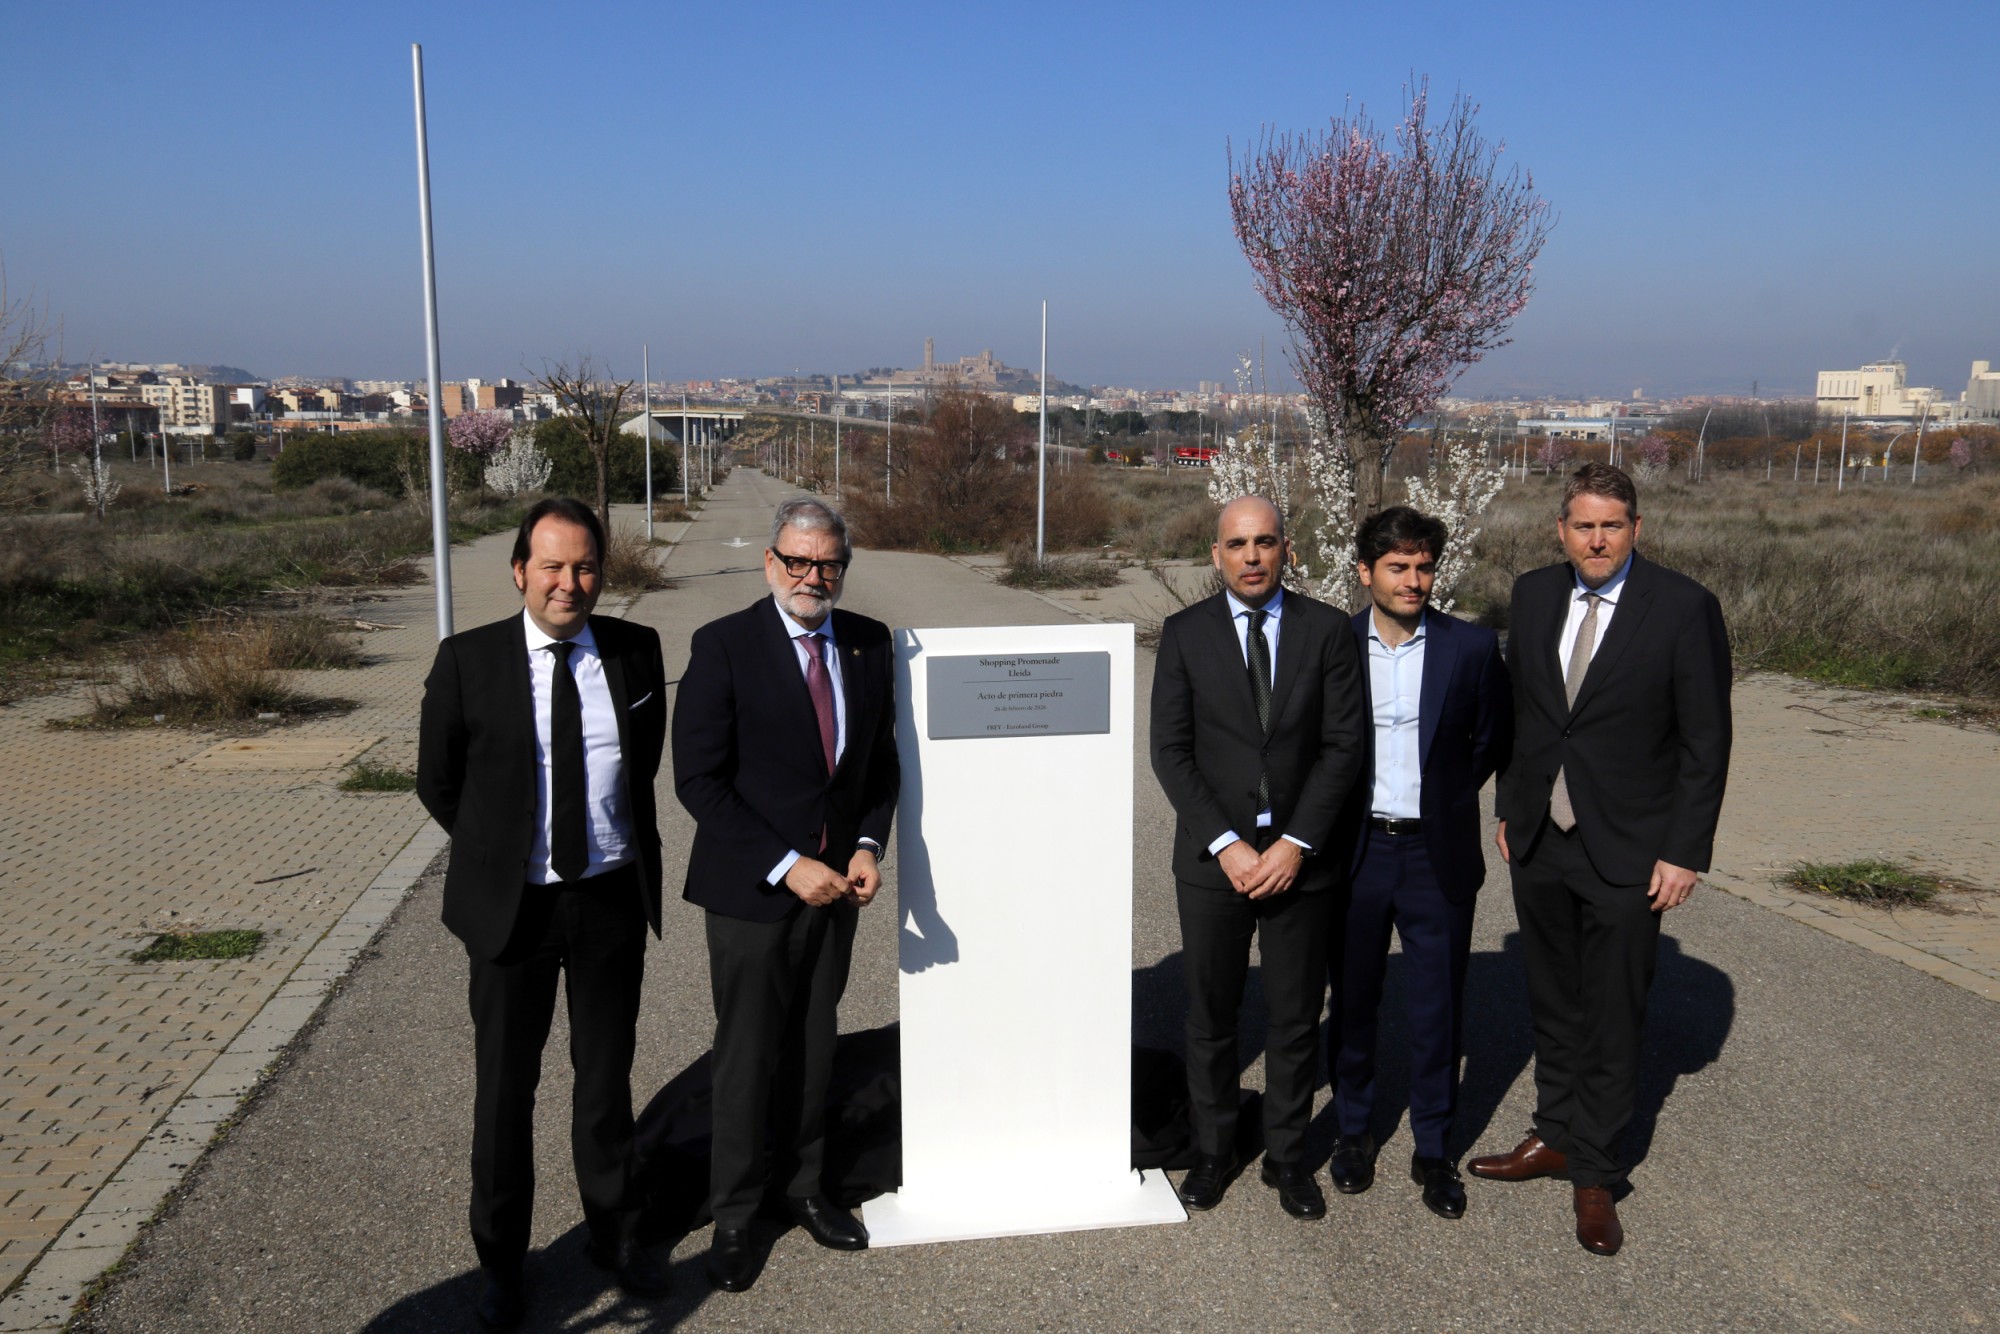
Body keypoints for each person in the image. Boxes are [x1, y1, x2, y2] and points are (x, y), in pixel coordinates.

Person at [417, 497, 670, 1330]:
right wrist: (497, 853)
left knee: (603, 1084)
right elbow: (438, 781)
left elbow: (638, 771)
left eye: (586, 566)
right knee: (504, 1095)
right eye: (553, 566)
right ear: (521, 570)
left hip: (606, 902)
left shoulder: (636, 653)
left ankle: (614, 1237)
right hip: (512, 914)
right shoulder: (467, 661)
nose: (571, 583)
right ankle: (502, 1266)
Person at [1470, 462, 1731, 1256]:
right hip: (1542, 841)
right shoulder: (1535, 593)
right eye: (1583, 525)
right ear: (1561, 530)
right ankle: (1553, 1135)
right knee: (1551, 999)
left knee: (1612, 1013)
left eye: (1612, 525)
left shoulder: (1684, 609)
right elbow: (1525, 714)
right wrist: (1512, 805)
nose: (1597, 539)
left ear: (1636, 530)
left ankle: (1596, 1171)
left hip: (1632, 847)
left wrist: (1685, 852)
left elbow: (1706, 742)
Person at [673, 496, 898, 1292]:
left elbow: (879, 767)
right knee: (745, 1055)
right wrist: (786, 862)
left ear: (843, 567)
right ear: (770, 562)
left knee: (813, 1045)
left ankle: (803, 1189)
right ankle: (734, 1212)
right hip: (753, 893)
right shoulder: (724, 645)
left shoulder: (870, 645)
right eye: (797, 561)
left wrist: (869, 845)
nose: (812, 576)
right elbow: (697, 780)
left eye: (827, 563)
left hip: (838, 891)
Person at [1149, 495, 1366, 1221]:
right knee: (1212, 1016)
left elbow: (1344, 747)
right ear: (1216, 555)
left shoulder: (1329, 631)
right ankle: (1213, 1152)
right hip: (1216, 864)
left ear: (1286, 550)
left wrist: (1296, 843)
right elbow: (1171, 752)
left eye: (1265, 542)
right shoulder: (1184, 634)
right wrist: (1230, 844)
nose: (1251, 556)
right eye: (1237, 544)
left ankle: (1287, 1156)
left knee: (1294, 1017)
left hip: (1302, 863)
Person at [1324, 506, 1511, 1220]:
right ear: (1365, 572)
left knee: (1438, 1009)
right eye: (1398, 567)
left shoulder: (1469, 648)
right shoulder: (1334, 645)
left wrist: (1451, 795)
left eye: (1424, 566)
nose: (1413, 580)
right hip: (1358, 851)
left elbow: (1494, 736)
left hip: (1437, 855)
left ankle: (1433, 1148)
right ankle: (1353, 1131)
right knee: (1355, 1001)